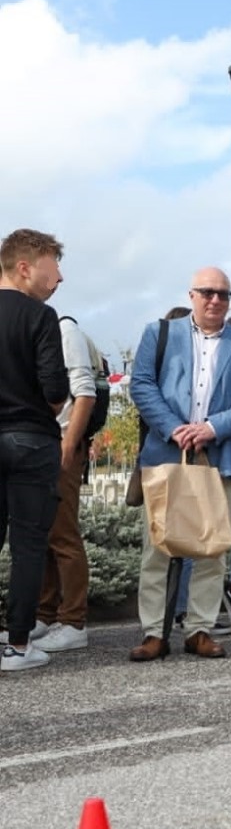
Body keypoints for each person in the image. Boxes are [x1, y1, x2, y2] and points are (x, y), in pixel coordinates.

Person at [129, 268, 231, 661]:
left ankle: (199, 629)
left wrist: (211, 428)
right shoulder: (158, 334)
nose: (216, 300)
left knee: (211, 548)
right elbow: (141, 384)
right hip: (165, 454)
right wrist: (175, 428)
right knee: (158, 546)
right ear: (191, 295)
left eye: (224, 295)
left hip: (220, 457)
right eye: (208, 292)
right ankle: (154, 632)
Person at [0, 229, 70, 672]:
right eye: (52, 266)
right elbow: (56, 392)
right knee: (27, 545)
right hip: (30, 438)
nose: (59, 277)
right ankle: (19, 645)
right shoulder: (40, 318)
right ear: (24, 267)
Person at [32, 294, 100, 654]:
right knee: (41, 533)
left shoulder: (64, 329)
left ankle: (73, 621)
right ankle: (45, 615)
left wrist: (68, 445)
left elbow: (84, 392)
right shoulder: (36, 328)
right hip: (38, 444)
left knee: (63, 533)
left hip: (60, 443)